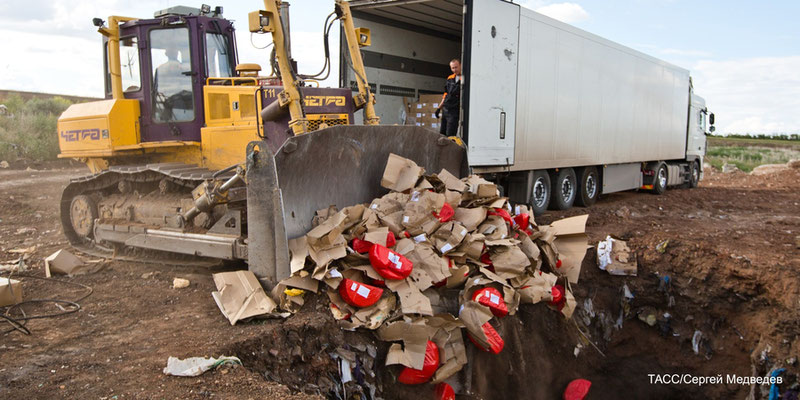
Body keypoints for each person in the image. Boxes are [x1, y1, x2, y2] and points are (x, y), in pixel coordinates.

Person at [435, 58, 463, 136]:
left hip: (454, 111)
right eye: (452, 68)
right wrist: (438, 108)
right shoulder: (450, 78)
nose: (454, 70)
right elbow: (446, 94)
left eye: (456, 67)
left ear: (460, 65)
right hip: (446, 110)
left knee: (450, 135)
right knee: (442, 134)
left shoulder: (464, 78)